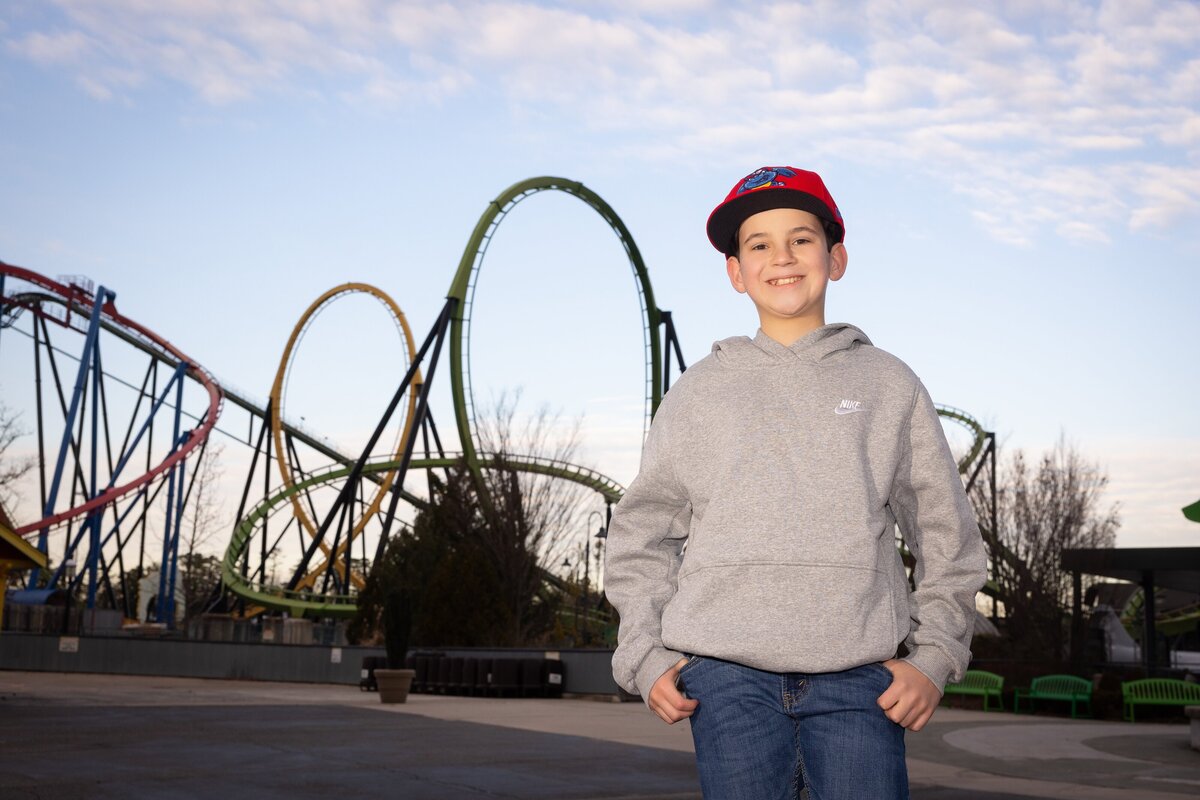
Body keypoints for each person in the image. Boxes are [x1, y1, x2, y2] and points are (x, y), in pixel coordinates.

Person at [604, 166, 988, 799]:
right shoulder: (698, 392)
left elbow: (948, 532)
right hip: (724, 680)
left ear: (835, 258)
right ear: (735, 271)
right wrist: (644, 653)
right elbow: (641, 531)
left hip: (862, 679)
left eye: (801, 239)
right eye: (758, 244)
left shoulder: (888, 383)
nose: (781, 257)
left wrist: (935, 657)